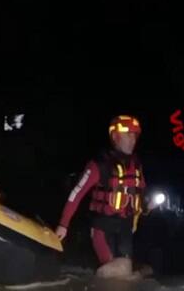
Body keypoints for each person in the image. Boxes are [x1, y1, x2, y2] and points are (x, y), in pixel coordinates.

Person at [55, 115, 158, 273]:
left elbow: (141, 196)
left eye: (135, 135)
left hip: (126, 229)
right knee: (113, 274)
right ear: (116, 137)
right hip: (103, 228)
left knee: (125, 275)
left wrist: (147, 205)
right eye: (128, 135)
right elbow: (76, 194)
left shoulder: (136, 166)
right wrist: (63, 224)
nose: (133, 139)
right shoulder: (99, 165)